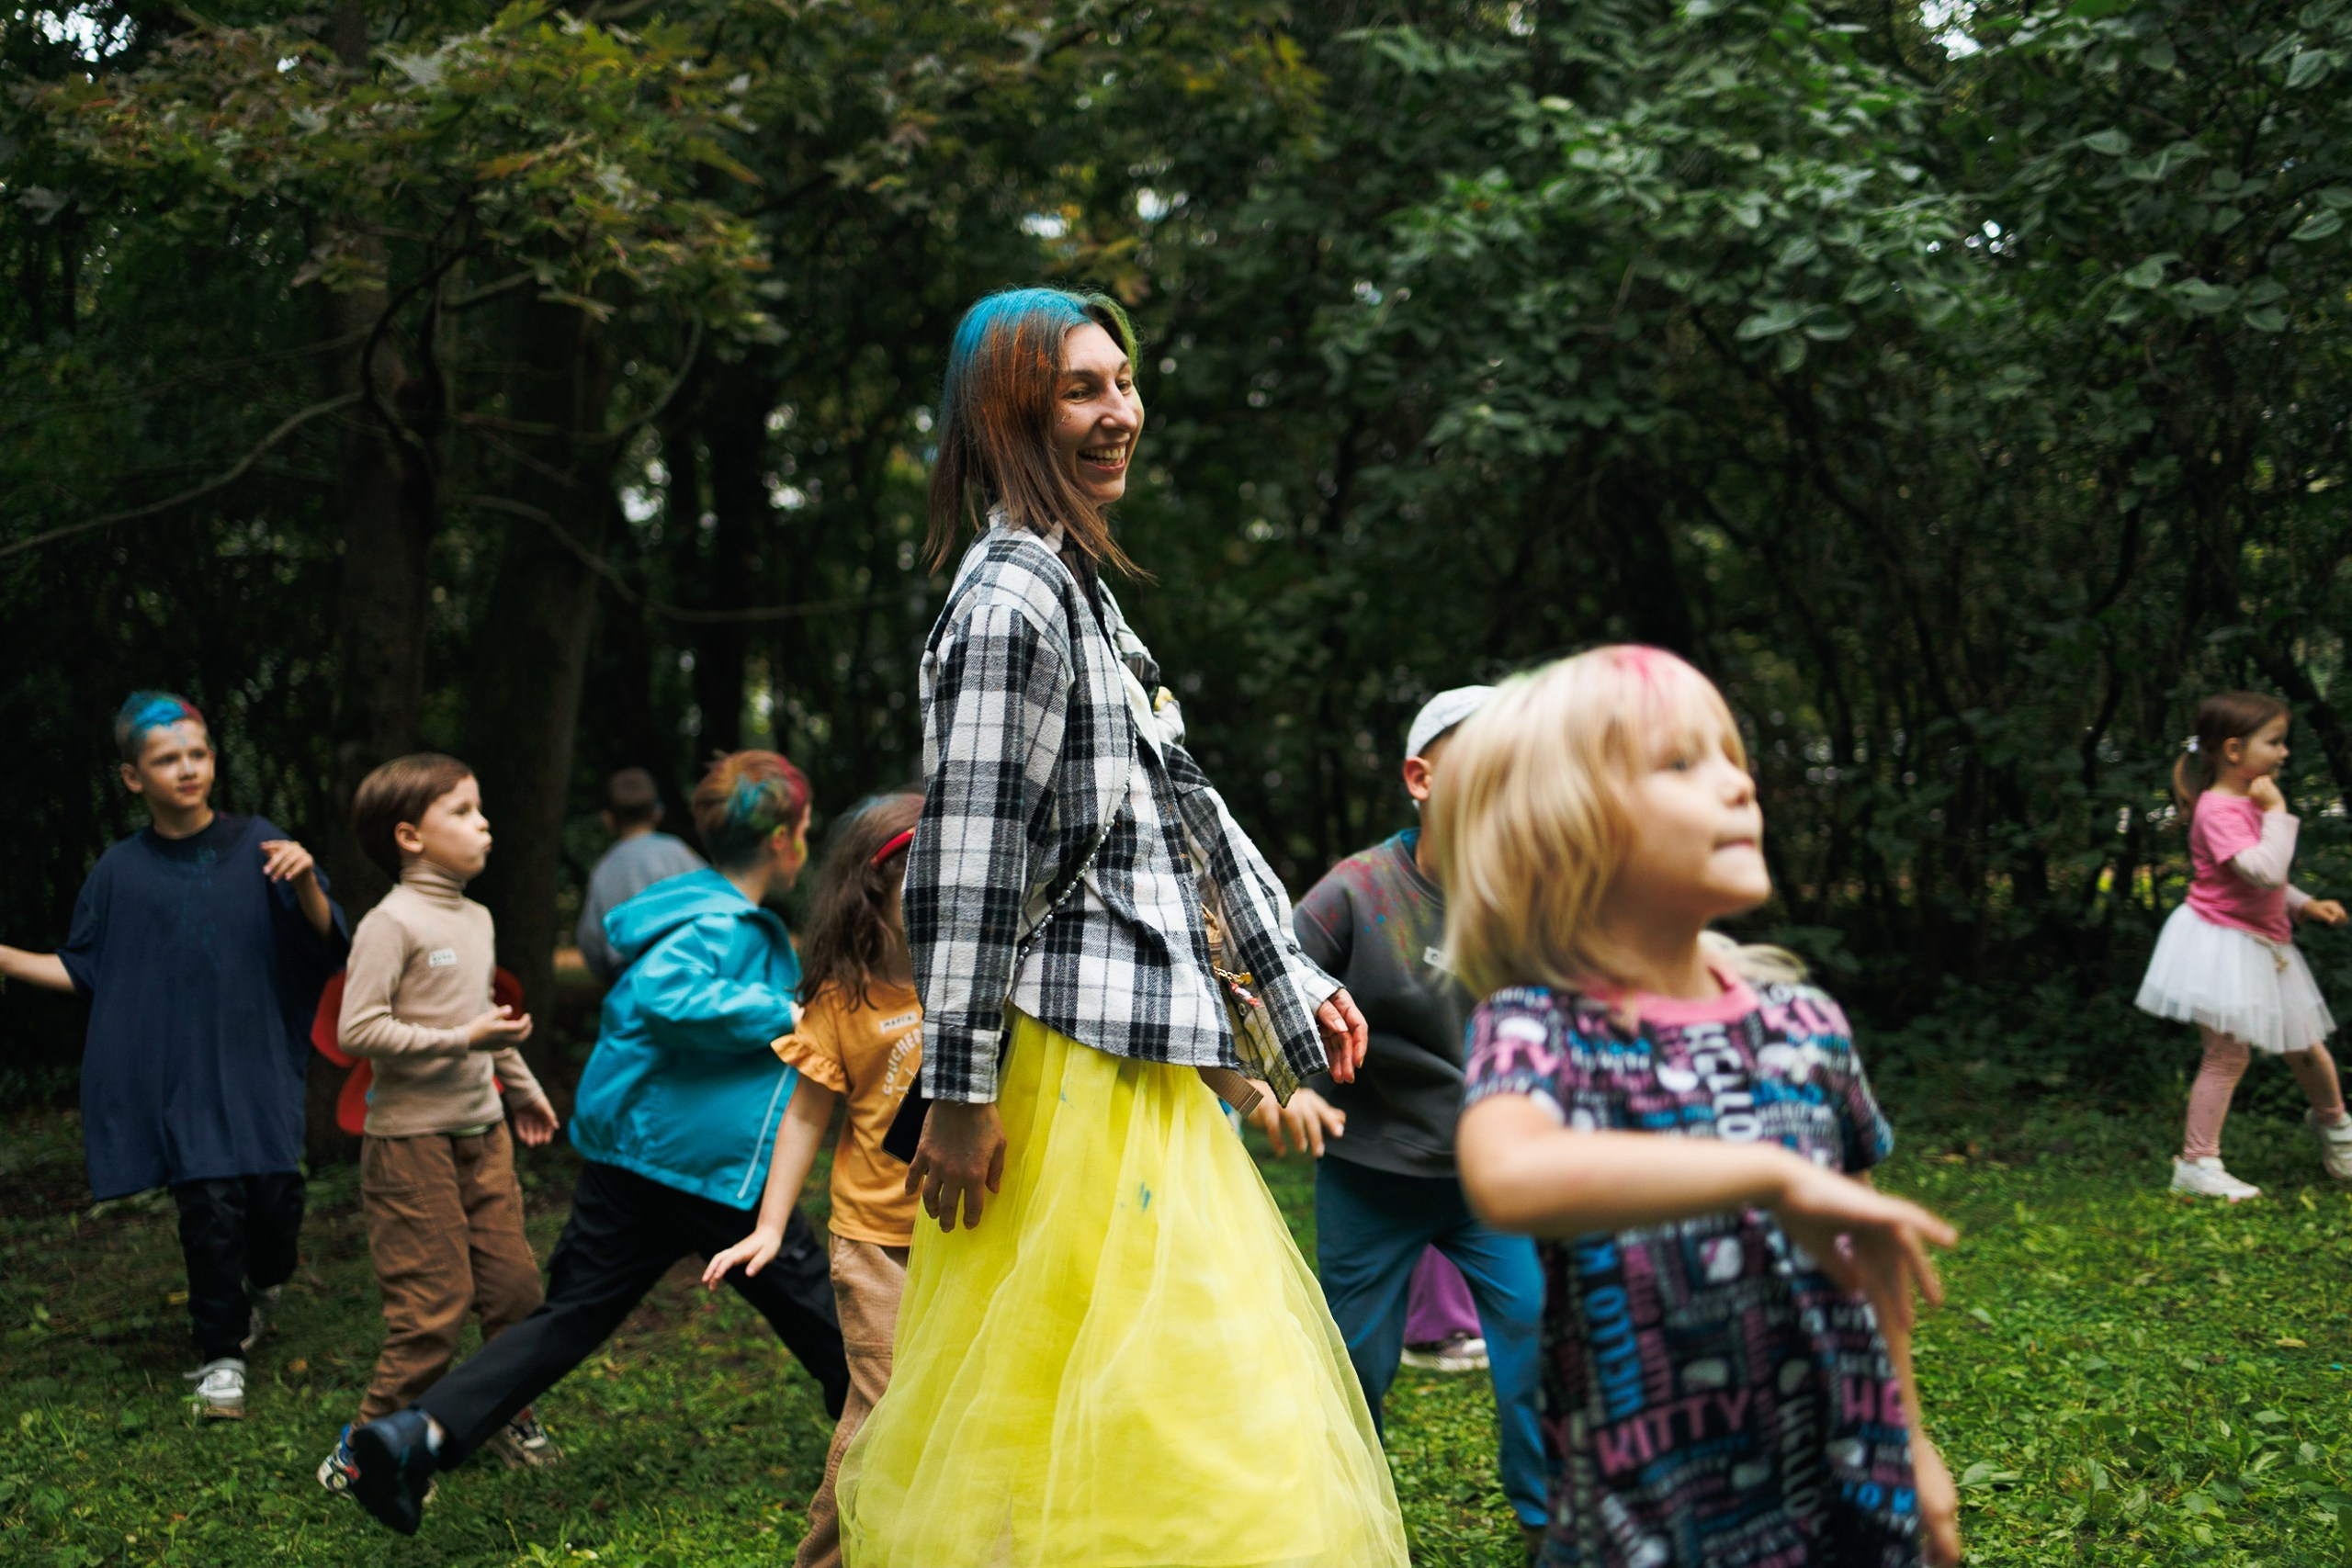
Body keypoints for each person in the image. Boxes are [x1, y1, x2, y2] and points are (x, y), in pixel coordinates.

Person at [836, 287, 1409, 1567]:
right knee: (1101, 1394)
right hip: (1061, 1066)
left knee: (1161, 1389)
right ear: (1006, 413)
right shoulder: (1007, 605)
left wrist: (1289, 974)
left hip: (1132, 1055)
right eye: (1081, 389)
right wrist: (965, 1095)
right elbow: (966, 871)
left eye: (1124, 382)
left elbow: (1182, 813)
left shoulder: (1081, 594)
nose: (1120, 413)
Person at [1437, 646, 1962, 1568]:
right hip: (1651, 1519)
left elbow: (1867, 1265)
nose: (1736, 787)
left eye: (1733, 757)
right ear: (1563, 829)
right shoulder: (1538, 1031)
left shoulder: (1807, 1025)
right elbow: (1508, 1176)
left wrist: (1912, 1444)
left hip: (1843, 1485)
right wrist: (1769, 1176)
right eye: (1681, 764)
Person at [340, 750, 849, 1536]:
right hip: (705, 1171)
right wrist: (788, 1010)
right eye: (806, 828)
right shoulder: (722, 920)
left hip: (634, 1163)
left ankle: (418, 1433)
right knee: (824, 1317)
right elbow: (666, 994)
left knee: (570, 1318)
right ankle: (897, 1451)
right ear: (786, 839)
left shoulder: (694, 904)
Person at [0, 692, 346, 1419]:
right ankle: (220, 1354)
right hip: (180, 1075)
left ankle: (261, 1287)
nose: (185, 769)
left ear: (214, 761)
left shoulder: (261, 843)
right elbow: (81, 967)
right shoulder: (120, 870)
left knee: (275, 1208)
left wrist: (308, 880)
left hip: (258, 1065)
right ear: (133, 777)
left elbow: (326, 942)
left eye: (196, 753)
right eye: (166, 759)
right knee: (209, 1210)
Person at [1283, 682, 1548, 1550]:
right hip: (1374, 1174)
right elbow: (1272, 993)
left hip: (1492, 1179)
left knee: (1542, 1333)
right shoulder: (1354, 893)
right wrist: (1295, 1087)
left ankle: (1551, 1517)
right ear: (1421, 777)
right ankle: (1348, 1519)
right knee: (1357, 1363)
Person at [316, 754, 564, 1501]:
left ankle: (501, 1411)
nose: (482, 823)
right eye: (462, 811)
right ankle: (364, 1449)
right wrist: (462, 1042)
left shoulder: (477, 917)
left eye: (479, 808)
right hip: (409, 1142)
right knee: (432, 1308)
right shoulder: (390, 923)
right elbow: (359, 1028)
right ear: (408, 836)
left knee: (516, 1289)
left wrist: (523, 1089)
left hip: (481, 1131)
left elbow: (484, 1023)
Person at [703, 789, 926, 1568]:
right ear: (875, 888)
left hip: (967, 1236)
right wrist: (769, 1224)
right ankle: (824, 1557)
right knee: (884, 1400)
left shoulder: (973, 987)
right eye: (920, 877)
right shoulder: (841, 1000)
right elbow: (806, 1117)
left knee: (950, 1398)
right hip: (873, 1240)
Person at [2135, 691, 2352, 1201]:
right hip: (2222, 946)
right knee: (2228, 1055)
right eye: (2274, 743)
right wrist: (2278, 812)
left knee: (2306, 1046)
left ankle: (2337, 1128)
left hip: (2265, 942)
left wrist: (2302, 905)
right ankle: (2197, 1162)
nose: (2284, 754)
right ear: (2234, 751)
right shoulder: (2218, 809)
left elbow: (2267, 883)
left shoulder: (2246, 804)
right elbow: (2261, 870)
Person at [576, 766, 704, 983]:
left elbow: (590, 940)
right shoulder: (678, 853)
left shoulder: (604, 868)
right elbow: (713, 902)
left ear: (608, 819)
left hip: (627, 978)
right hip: (682, 972)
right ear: (657, 812)